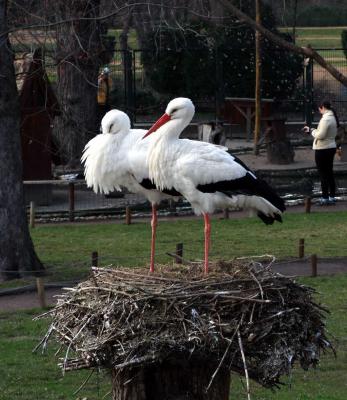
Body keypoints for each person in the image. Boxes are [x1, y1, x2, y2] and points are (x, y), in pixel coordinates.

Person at [303, 100, 339, 205]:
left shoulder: (326, 119)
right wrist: (313, 129)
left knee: (323, 174)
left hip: (323, 149)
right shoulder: (332, 117)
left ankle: (324, 198)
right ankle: (331, 196)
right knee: (329, 173)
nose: (319, 111)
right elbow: (324, 133)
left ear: (322, 107)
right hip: (331, 147)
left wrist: (310, 131)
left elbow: (320, 135)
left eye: (319, 109)